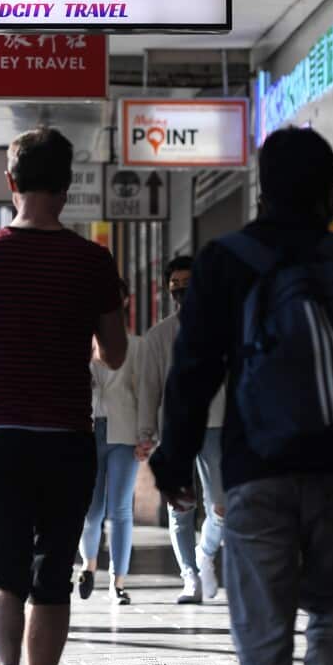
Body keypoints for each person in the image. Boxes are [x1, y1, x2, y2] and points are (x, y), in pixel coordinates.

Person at [151, 128, 333, 665]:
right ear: (329, 194)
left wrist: (173, 461)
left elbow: (193, 369)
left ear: (262, 194)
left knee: (263, 626)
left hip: (257, 466)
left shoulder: (225, 263)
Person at [0, 128, 127, 665]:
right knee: (50, 573)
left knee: (0, 571)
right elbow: (115, 352)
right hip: (65, 437)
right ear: (67, 185)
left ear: (11, 182)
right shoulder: (93, 261)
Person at [138, 256, 228, 605]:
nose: (182, 292)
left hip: (217, 424)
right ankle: (189, 575)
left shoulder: (224, 329)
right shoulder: (159, 337)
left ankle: (205, 554)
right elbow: (149, 387)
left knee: (221, 505)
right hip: (172, 430)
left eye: (189, 284)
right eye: (176, 286)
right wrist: (146, 432)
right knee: (180, 506)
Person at [77, 280, 144, 606]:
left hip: (125, 433)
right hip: (87, 432)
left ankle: (118, 582)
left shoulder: (137, 347)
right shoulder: (77, 346)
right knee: (91, 511)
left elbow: (147, 395)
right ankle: (89, 566)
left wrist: (148, 436)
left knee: (120, 510)